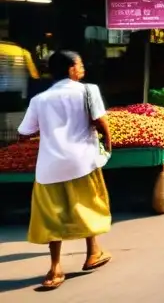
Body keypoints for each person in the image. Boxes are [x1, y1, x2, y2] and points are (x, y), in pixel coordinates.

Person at [17, 51, 112, 290]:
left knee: (52, 217)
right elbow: (101, 121)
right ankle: (92, 253)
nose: (83, 69)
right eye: (80, 64)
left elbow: (24, 132)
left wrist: (50, 129)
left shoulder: (40, 99)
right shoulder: (88, 91)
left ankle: (55, 268)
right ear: (70, 68)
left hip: (50, 167)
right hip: (83, 162)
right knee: (88, 205)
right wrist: (108, 145)